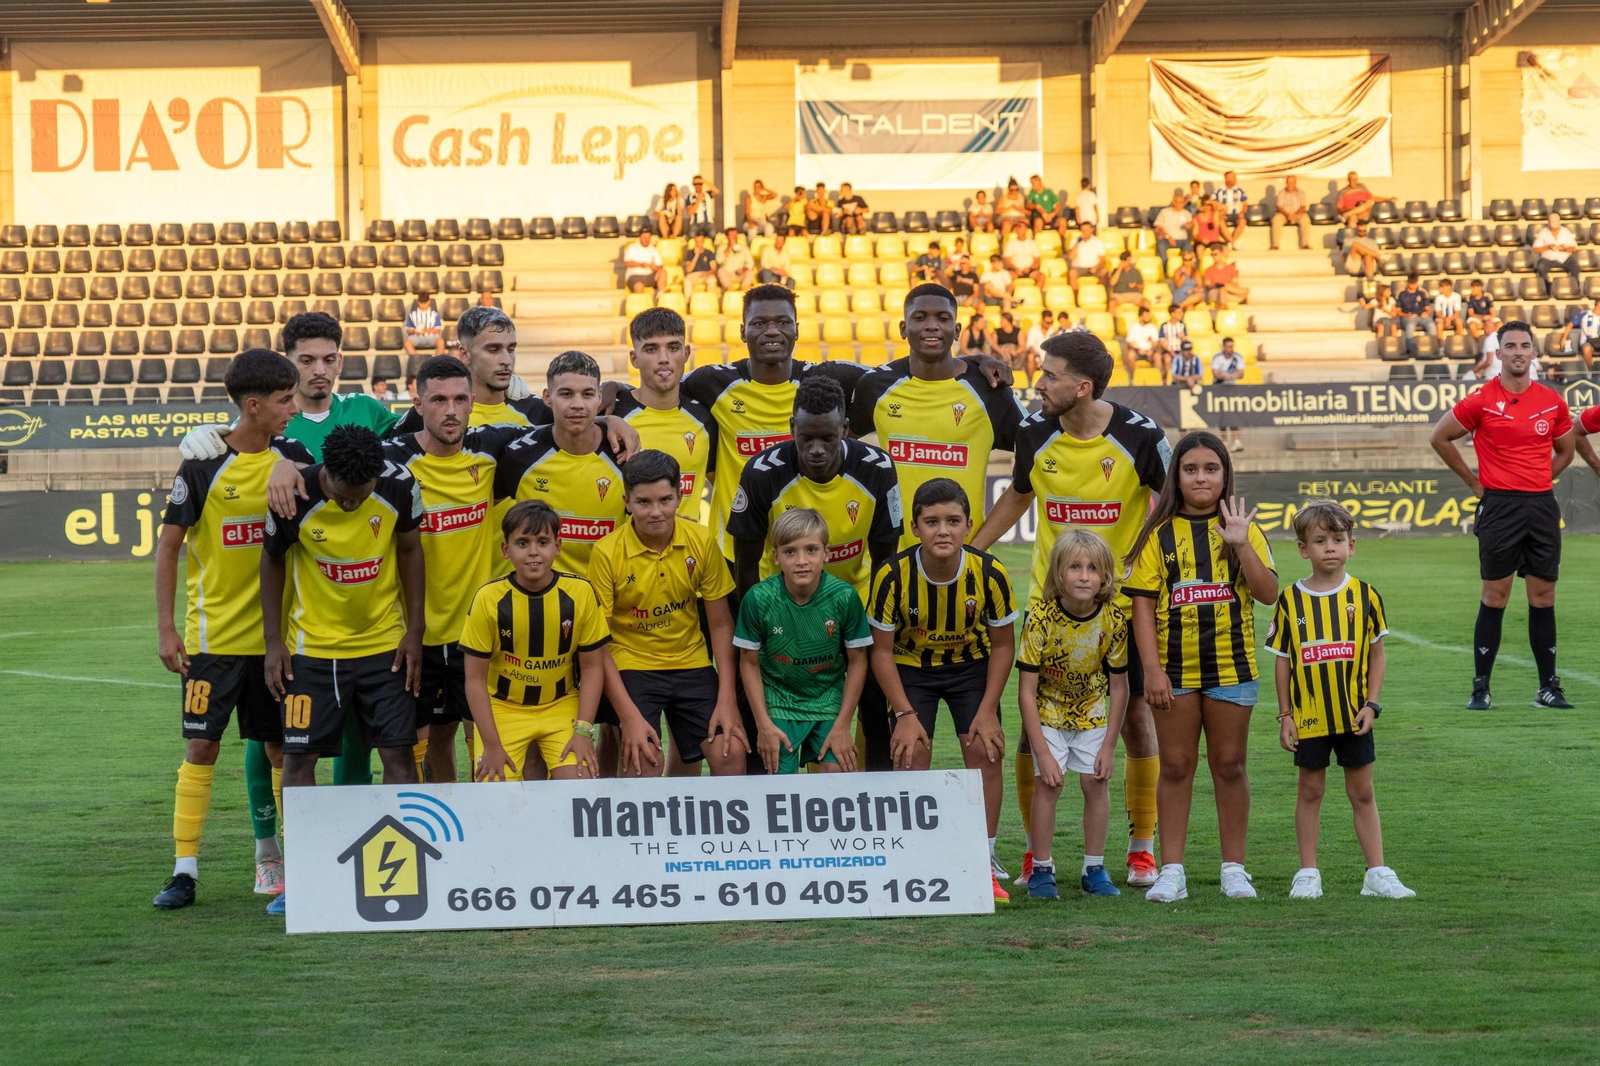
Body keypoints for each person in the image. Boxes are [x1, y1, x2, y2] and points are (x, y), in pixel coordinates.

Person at [972, 332, 1169, 891]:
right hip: (1046, 609)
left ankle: (1140, 848)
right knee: (1036, 731)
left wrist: (1145, 566)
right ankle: (1037, 857)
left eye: (1050, 374)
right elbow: (1017, 494)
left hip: (1121, 610)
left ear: (1081, 388)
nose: (1039, 382)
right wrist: (972, 555)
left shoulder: (1140, 435)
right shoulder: (1033, 431)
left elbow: (1171, 500)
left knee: (1132, 719)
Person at [178, 312, 403, 792]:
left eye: (328, 358)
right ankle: (270, 852)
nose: (318, 369)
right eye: (306, 360)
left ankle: (344, 842)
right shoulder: (277, 420)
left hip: (362, 612)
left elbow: (428, 428)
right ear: (290, 364)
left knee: (356, 740)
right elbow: (248, 435)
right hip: (297, 621)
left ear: (341, 360)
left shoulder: (367, 411)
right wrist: (213, 431)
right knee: (274, 741)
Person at [151, 349, 312, 911]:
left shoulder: (293, 455)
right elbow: (169, 547)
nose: (294, 407)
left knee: (281, 753)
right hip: (211, 641)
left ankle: (292, 870)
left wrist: (293, 462)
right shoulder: (201, 465)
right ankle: (184, 871)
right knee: (201, 747)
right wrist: (168, 630)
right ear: (254, 405)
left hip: (278, 647)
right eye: (285, 400)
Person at [260, 424, 426, 914]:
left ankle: (406, 871)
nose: (352, 506)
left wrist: (414, 632)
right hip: (314, 653)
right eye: (343, 497)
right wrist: (274, 642)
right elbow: (271, 563)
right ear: (325, 473)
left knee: (399, 757)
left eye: (362, 496)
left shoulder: (398, 485)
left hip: (385, 649)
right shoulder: (295, 493)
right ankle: (304, 877)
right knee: (298, 761)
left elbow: (412, 551)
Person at [1124, 431, 1279, 902]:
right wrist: (1151, 670)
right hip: (1174, 671)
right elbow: (1143, 608)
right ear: (1176, 476)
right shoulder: (1159, 532)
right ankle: (1172, 871)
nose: (1201, 477)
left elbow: (1269, 594)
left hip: (1232, 668)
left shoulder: (1244, 528)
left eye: (1211, 469)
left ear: (1225, 475)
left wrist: (1241, 544)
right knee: (1174, 765)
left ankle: (1234, 869)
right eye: (1190, 469)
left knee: (1229, 765)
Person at [376, 357, 531, 783]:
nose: (451, 410)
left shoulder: (490, 448)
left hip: (478, 632)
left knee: (488, 737)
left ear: (472, 402)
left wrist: (614, 424)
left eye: (461, 399)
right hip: (413, 632)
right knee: (426, 742)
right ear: (418, 403)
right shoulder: (391, 457)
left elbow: (563, 432)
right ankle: (436, 835)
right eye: (439, 399)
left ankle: (488, 834)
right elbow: (328, 462)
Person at [869, 479, 1017, 903]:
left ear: (969, 525)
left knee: (985, 748)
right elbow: (881, 653)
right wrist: (904, 714)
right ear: (914, 527)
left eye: (953, 521)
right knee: (910, 752)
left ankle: (984, 859)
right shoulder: (891, 575)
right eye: (931, 522)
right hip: (910, 668)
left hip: (970, 667)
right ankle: (917, 858)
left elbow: (1004, 644)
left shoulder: (989, 573)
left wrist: (988, 711)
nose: (943, 531)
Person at [1267, 500, 1415, 901]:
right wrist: (1285, 715)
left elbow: (1377, 655)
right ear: (1303, 549)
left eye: (1338, 539)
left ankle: (1377, 872)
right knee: (1310, 791)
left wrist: (1372, 703)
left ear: (1352, 545)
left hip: (1354, 716)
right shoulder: (1289, 601)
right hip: (1310, 717)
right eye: (1319, 540)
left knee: (1362, 792)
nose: (1329, 547)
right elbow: (1282, 663)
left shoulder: (1365, 595)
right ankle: (1308, 873)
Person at [1429, 320, 1576, 711]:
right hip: (1499, 507)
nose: (1518, 352)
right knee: (1495, 596)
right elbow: (1439, 438)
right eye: (1510, 345)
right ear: (1498, 352)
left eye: (1524, 345)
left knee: (1543, 597)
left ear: (1533, 353)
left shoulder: (1552, 400)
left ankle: (1548, 688)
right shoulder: (1481, 399)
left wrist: (1541, 478)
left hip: (1542, 506)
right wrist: (1477, 486)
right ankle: (1481, 688)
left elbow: (1566, 450)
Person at [589, 450, 749, 778]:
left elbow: (720, 624)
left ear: (680, 495)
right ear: (626, 502)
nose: (656, 512)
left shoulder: (701, 540)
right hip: (632, 664)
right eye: (643, 502)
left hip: (691, 662)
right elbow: (599, 644)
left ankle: (711, 831)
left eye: (664, 499)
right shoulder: (606, 552)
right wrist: (629, 717)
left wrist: (727, 698)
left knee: (730, 754)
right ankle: (636, 830)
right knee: (644, 760)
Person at [460, 500, 610, 782]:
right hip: (503, 708)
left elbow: (592, 668)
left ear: (558, 546)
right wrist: (492, 744)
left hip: (560, 705)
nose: (533, 552)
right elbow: (475, 679)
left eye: (542, 542)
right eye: (522, 543)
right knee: (494, 793)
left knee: (581, 789)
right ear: (505, 549)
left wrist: (583, 731)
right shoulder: (488, 599)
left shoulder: (581, 593)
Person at [1016, 530, 1129, 900]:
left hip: (1093, 714)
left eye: (1093, 568)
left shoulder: (1113, 620)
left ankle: (1093, 868)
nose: (1084, 576)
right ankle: (1042, 869)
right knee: (1049, 784)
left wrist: (1110, 746)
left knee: (1095, 784)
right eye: (1075, 567)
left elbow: (1120, 688)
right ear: (1058, 574)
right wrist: (1043, 753)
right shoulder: (1040, 619)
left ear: (1105, 576)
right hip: (1048, 712)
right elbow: (1026, 692)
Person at [728, 376, 901, 602]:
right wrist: (755, 624)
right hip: (782, 605)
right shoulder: (761, 473)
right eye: (806, 438)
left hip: (854, 603)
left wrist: (876, 621)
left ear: (845, 428)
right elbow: (746, 565)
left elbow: (885, 562)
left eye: (828, 438)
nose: (816, 449)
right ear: (792, 427)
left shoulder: (878, 468)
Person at [735, 508, 872, 775]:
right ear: (776, 556)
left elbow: (858, 661)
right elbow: (748, 663)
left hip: (827, 695)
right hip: (779, 695)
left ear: (826, 553)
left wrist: (843, 725)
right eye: (790, 552)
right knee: (779, 781)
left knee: (838, 774)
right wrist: (763, 724)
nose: (801, 561)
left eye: (811, 550)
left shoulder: (844, 597)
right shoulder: (759, 599)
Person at [494, 351, 627, 579]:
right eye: (566, 394)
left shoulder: (623, 453)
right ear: (547, 397)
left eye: (587, 394)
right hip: (539, 601)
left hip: (607, 600)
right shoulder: (518, 457)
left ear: (599, 396)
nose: (577, 404)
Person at [616, 308, 717, 519]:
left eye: (673, 347)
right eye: (651, 349)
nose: (664, 358)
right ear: (634, 358)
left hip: (687, 551)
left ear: (686, 353)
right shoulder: (615, 415)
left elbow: (725, 486)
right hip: (626, 551)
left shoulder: (706, 419)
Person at [1211, 337, 1246, 452]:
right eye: (1228, 346)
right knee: (1222, 414)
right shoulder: (1217, 357)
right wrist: (1225, 376)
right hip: (1220, 388)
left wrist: (1234, 376)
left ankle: (1236, 440)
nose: (1230, 349)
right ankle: (1224, 440)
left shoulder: (1238, 357)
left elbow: (1241, 373)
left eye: (1232, 346)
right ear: (1224, 347)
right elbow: (1215, 373)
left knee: (1233, 413)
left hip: (1232, 388)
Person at [1533, 212, 1579, 297]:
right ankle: (1547, 287)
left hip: (1564, 258)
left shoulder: (1566, 232)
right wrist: (1548, 247)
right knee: (1541, 267)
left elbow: (1573, 247)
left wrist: (1564, 249)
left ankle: (1575, 288)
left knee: (1575, 266)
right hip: (1547, 258)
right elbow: (1536, 249)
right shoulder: (1543, 232)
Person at [1270, 175, 1312, 251]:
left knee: (1306, 219)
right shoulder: (1281, 193)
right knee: (1276, 219)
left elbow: (1303, 207)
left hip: (1298, 213)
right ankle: (1275, 245)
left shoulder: (1301, 192)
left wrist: (1295, 214)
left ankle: (1305, 244)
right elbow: (1279, 207)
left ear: (1295, 183)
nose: (1289, 185)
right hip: (1284, 214)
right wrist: (1288, 215)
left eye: (1292, 182)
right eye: (1288, 182)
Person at [1394, 274, 1435, 350]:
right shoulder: (1401, 293)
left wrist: (1426, 313)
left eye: (1415, 283)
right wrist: (1407, 315)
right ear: (1408, 282)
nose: (1413, 285)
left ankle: (1432, 347)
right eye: (1411, 283)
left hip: (1422, 316)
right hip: (1408, 317)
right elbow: (1398, 311)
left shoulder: (1422, 292)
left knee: (1431, 325)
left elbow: (1428, 308)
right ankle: (1409, 349)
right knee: (1410, 326)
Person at [403, 288, 446, 356]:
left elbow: (438, 329)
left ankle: (437, 363)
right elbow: (408, 329)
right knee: (407, 343)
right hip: (416, 336)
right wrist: (414, 331)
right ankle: (416, 360)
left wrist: (425, 330)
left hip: (431, 336)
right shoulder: (413, 314)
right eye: (421, 303)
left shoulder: (434, 314)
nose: (423, 305)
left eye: (425, 303)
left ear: (429, 302)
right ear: (418, 302)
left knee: (440, 342)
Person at [1559, 299, 1600, 369]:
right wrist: (1564, 338)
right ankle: (1592, 372)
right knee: (1587, 349)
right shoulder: (1585, 314)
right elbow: (1570, 325)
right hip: (1587, 342)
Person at [1153, 191, 1194, 260]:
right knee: (1161, 245)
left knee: (1188, 246)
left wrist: (1189, 225)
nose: (1182, 204)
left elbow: (1191, 224)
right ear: (1174, 202)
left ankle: (1185, 267)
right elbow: (1158, 228)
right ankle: (1165, 267)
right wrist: (1168, 237)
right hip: (1166, 239)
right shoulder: (1164, 212)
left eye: (1183, 202)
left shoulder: (1186, 213)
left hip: (1182, 240)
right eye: (1179, 202)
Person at [623, 230, 667, 294]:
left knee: (663, 273)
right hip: (634, 276)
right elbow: (627, 263)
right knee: (639, 286)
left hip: (649, 276)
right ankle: (640, 302)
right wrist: (640, 264)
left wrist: (655, 267)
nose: (646, 240)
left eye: (648, 237)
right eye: (644, 237)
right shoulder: (632, 247)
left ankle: (660, 295)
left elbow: (660, 266)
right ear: (640, 237)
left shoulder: (653, 249)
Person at [1024, 309, 1065, 378]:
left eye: (1051, 322)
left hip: (1049, 355)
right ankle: (1030, 382)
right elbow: (1030, 346)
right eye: (1047, 322)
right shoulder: (1033, 330)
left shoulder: (1054, 331)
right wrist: (1037, 355)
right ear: (1042, 320)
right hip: (1036, 355)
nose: (1049, 324)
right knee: (1030, 357)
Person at [1123, 305, 1161, 379]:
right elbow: (1129, 343)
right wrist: (1139, 350)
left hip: (1150, 352)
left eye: (1149, 315)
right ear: (1141, 317)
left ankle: (1157, 379)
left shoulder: (1153, 327)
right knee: (1130, 355)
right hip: (1137, 351)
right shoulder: (1134, 327)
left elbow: (1155, 343)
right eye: (1146, 315)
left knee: (1157, 357)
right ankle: (1134, 378)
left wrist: (1152, 351)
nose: (1149, 317)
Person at [1068, 221, 1107, 291]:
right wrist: (1078, 242)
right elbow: (1071, 257)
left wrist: (1096, 267)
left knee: (1104, 272)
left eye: (1086, 230)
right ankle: (1076, 297)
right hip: (1079, 267)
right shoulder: (1075, 240)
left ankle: (1100, 293)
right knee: (1072, 273)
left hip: (1094, 267)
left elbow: (1102, 260)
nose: (1084, 232)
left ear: (1091, 230)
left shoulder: (1097, 242)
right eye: (1082, 230)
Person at [1214, 171, 1249, 245]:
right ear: (1227, 179)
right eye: (1233, 177)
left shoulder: (1240, 190)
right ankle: (1233, 242)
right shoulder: (1218, 190)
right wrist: (1220, 213)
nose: (1235, 179)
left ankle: (1231, 242)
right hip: (1223, 214)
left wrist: (1243, 212)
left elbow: (1245, 204)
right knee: (1220, 222)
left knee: (1242, 222)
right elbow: (1213, 204)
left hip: (1236, 214)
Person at [715, 228, 754, 292]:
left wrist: (744, 269)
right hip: (728, 274)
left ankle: (744, 289)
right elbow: (719, 260)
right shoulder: (722, 248)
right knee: (720, 271)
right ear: (727, 237)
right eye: (732, 235)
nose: (734, 237)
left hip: (740, 274)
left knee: (750, 272)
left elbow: (750, 263)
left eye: (735, 235)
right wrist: (730, 247)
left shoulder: (744, 248)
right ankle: (730, 289)